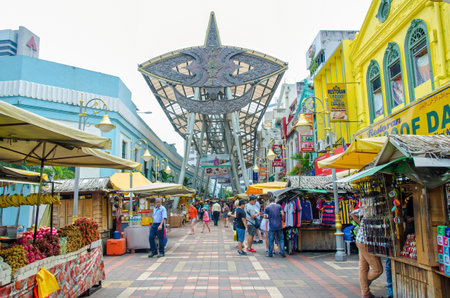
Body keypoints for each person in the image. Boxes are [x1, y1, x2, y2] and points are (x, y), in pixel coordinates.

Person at [351, 208, 383, 298]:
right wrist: (360, 224)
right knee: (378, 270)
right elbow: (352, 213)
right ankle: (364, 287)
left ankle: (365, 292)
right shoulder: (374, 210)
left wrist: (360, 224)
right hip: (367, 242)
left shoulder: (365, 209)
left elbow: (352, 213)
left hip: (360, 240)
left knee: (363, 267)